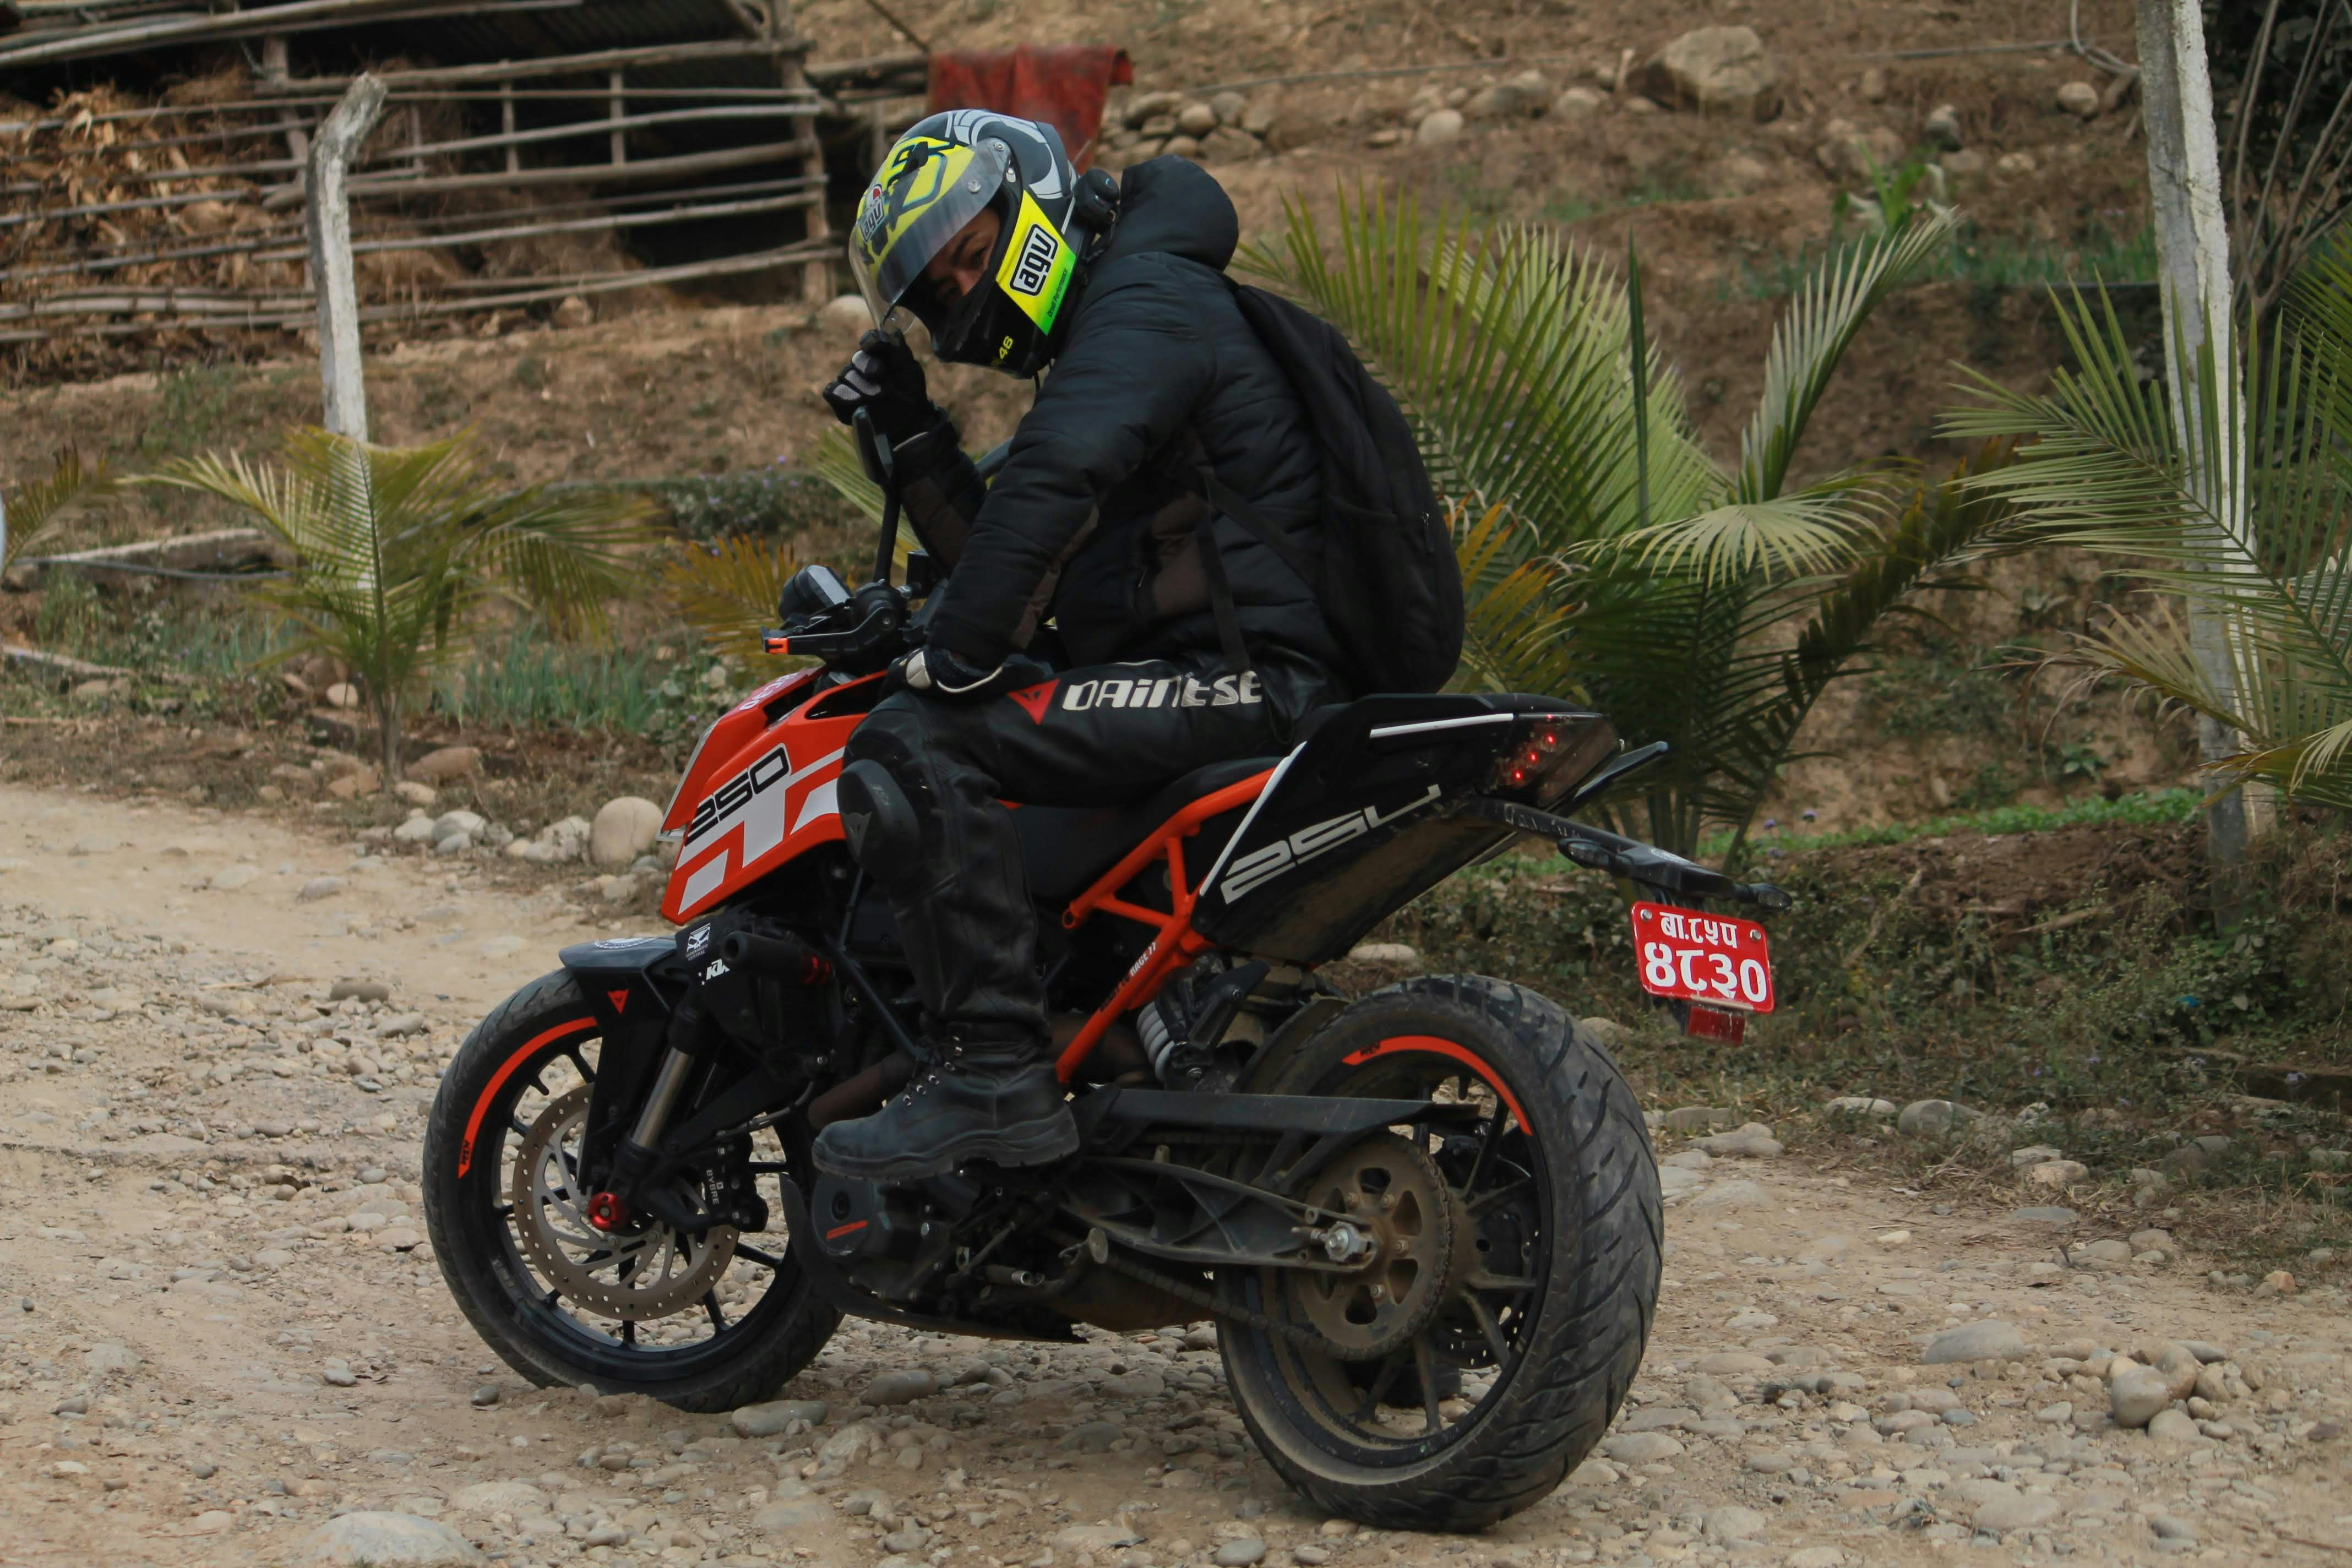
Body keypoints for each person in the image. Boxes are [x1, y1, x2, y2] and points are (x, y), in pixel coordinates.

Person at [809, 112, 1345, 1182]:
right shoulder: (1127, 321)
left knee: (914, 743)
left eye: (971, 251)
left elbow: (1056, 482)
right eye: (942, 291)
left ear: (1034, 194)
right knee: (989, 735)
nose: (968, 292)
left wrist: (946, 661)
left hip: (1247, 681)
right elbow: (1029, 557)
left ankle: (993, 1073)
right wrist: (914, 440)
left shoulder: (1146, 299)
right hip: (1217, 674)